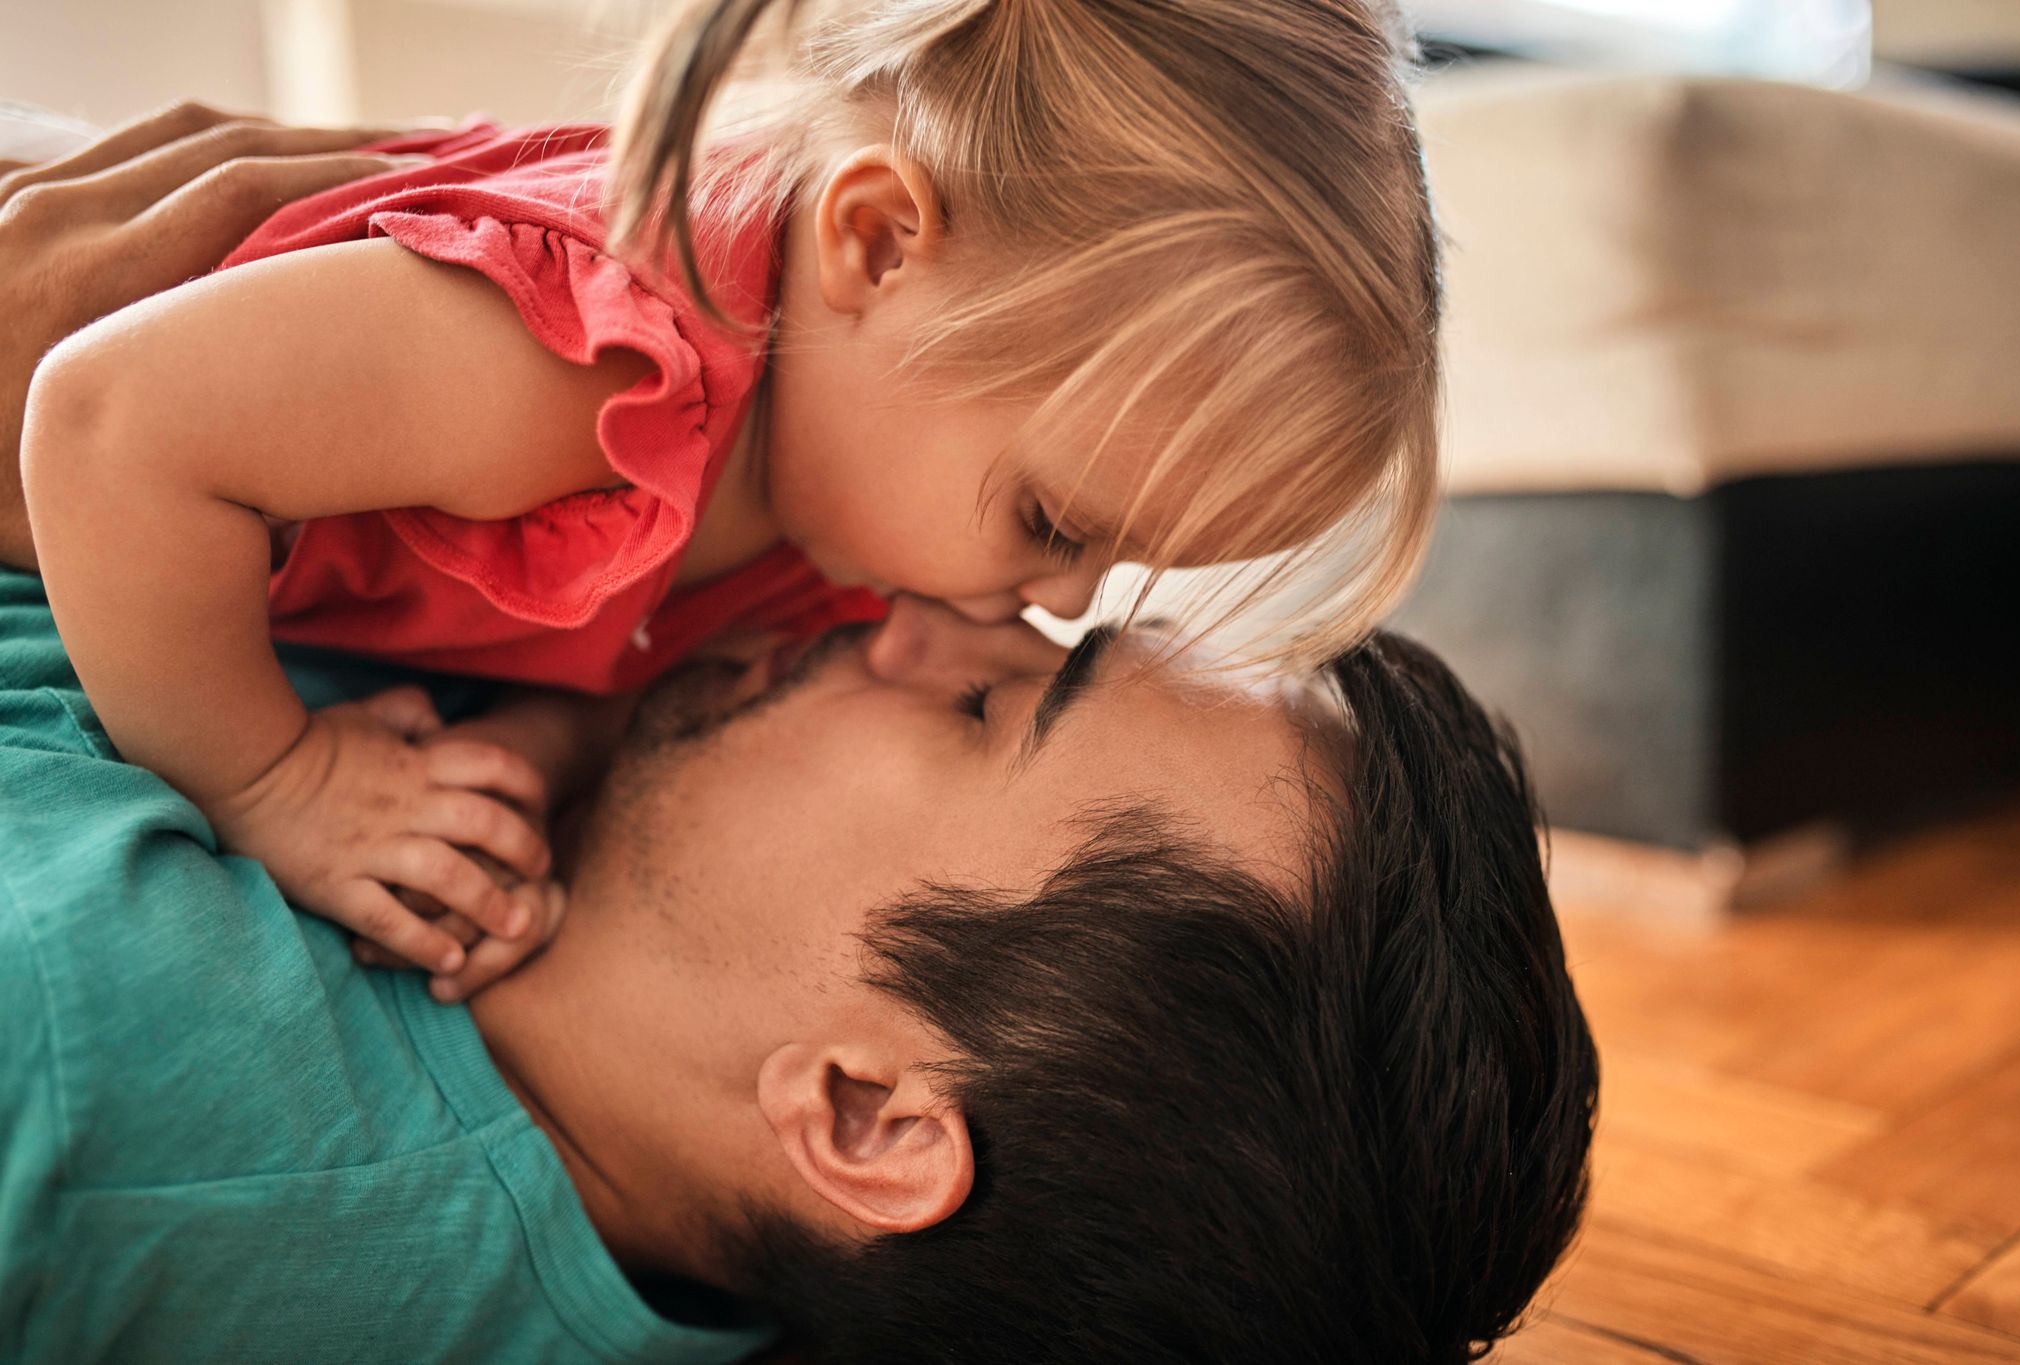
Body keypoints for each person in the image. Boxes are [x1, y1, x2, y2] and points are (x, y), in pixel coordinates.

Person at [1, 111, 1593, 1364]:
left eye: (989, 706)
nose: (911, 606)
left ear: (862, 1115)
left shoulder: (75, 1051)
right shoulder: (788, 1215)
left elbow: (108, 410)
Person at [18, 0, 1446, 995]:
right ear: (878, 244)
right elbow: (104, 427)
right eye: (1059, 523)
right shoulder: (593, 358)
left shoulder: (857, 490)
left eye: (1125, 562)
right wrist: (281, 780)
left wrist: (531, 753)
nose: (1061, 601)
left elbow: (637, 657)